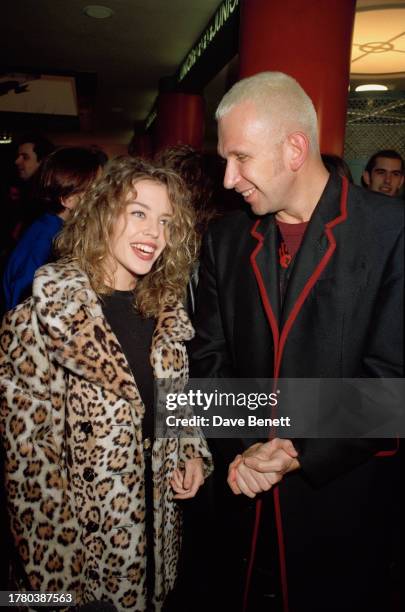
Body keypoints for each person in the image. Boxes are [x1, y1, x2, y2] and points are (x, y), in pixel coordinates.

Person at [190, 72, 402, 612]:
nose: (229, 178)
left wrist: (295, 449)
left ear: (294, 148)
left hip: (343, 510)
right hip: (242, 502)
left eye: (241, 157)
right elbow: (208, 358)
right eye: (224, 159)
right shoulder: (224, 238)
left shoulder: (391, 230)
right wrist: (247, 446)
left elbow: (391, 385)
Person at [0, 156, 212, 610]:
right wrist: (62, 593)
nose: (154, 234)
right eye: (138, 213)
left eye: (166, 221)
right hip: (84, 571)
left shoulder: (167, 315)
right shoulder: (41, 320)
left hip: (158, 551)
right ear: (101, 214)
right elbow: (30, 476)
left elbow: (176, 404)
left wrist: (191, 450)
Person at [2, 147, 101, 312]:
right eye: (96, 189)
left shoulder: (51, 225)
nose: (103, 195)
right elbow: (21, 306)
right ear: (68, 200)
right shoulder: (47, 240)